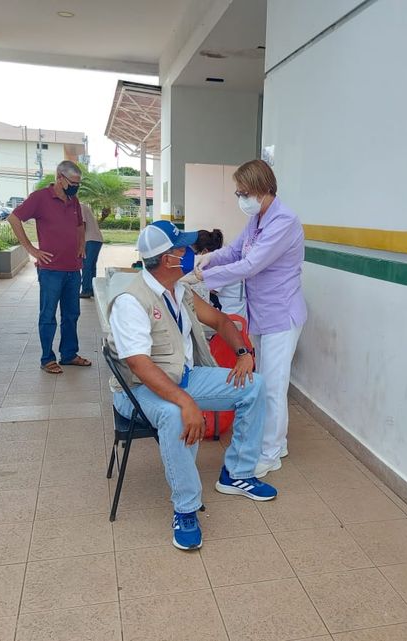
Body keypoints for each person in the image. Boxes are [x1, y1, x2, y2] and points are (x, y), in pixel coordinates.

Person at [107, 220, 277, 550]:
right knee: (175, 415)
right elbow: (139, 366)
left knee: (254, 386)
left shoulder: (179, 290)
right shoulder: (131, 301)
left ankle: (237, 473)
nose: (190, 253)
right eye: (183, 249)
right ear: (168, 259)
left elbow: (221, 320)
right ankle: (185, 508)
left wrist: (243, 353)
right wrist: (185, 402)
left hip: (183, 377)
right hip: (137, 390)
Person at [196, 160, 306, 478]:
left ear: (263, 189)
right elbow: (235, 251)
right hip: (263, 314)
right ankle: (277, 443)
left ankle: (270, 454)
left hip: (281, 316)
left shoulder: (284, 222)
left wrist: (204, 277)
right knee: (266, 382)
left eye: (244, 193)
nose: (241, 199)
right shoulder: (258, 219)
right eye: (238, 193)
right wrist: (209, 258)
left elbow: (250, 265)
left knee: (272, 387)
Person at [8, 160, 91, 374]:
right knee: (48, 315)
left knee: (72, 314)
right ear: (60, 178)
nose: (75, 187)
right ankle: (47, 358)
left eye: (78, 183)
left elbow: (80, 225)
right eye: (73, 182)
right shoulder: (40, 198)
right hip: (51, 269)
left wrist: (81, 245)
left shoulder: (73, 201)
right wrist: (31, 249)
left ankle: (69, 354)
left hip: (73, 268)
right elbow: (14, 218)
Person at [191, 228, 246, 318]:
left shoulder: (220, 264)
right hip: (231, 308)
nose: (194, 256)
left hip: (232, 312)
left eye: (194, 253)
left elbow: (208, 289)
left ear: (204, 251)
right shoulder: (221, 259)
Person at [79, 202, 102, 299]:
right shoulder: (82, 206)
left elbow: (82, 225)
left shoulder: (79, 207)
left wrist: (80, 243)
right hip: (95, 239)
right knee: (91, 266)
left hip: (90, 239)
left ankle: (86, 290)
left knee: (86, 266)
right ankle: (92, 289)